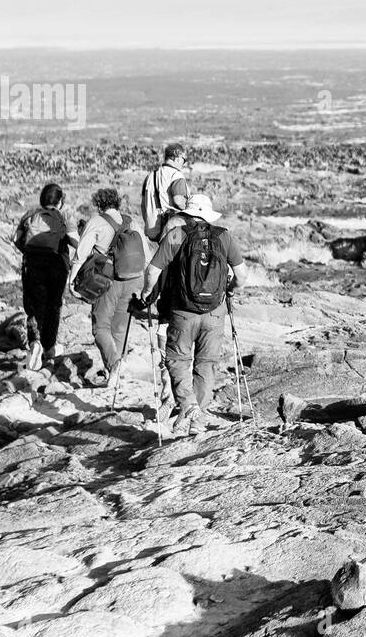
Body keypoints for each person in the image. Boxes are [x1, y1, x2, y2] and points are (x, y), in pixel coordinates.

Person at [139, 194, 249, 437]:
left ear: (188, 214)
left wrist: (147, 293)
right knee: (206, 364)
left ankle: (188, 406)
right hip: (215, 311)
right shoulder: (224, 236)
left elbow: (153, 271)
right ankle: (197, 420)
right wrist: (228, 290)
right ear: (208, 215)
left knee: (177, 360)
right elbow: (242, 276)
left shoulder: (177, 235)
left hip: (182, 310)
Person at [68, 189, 151, 382]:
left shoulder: (96, 222)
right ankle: (117, 371)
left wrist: (72, 281)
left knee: (100, 327)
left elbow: (80, 255)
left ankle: (114, 366)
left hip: (107, 279)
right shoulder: (131, 221)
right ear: (118, 203)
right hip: (133, 279)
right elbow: (146, 255)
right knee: (120, 328)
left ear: (99, 204)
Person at [13, 183, 77, 370]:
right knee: (53, 305)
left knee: (34, 306)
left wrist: (28, 253)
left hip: (32, 265)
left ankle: (34, 343)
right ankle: (49, 347)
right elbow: (76, 241)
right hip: (57, 265)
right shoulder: (64, 216)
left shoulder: (30, 215)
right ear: (60, 201)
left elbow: (16, 239)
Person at [140, 143, 190, 242]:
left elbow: (143, 206)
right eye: (184, 160)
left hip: (152, 231)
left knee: (158, 256)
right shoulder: (176, 175)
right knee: (174, 256)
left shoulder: (150, 176)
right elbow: (178, 200)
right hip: (173, 231)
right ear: (178, 157)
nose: (183, 164)